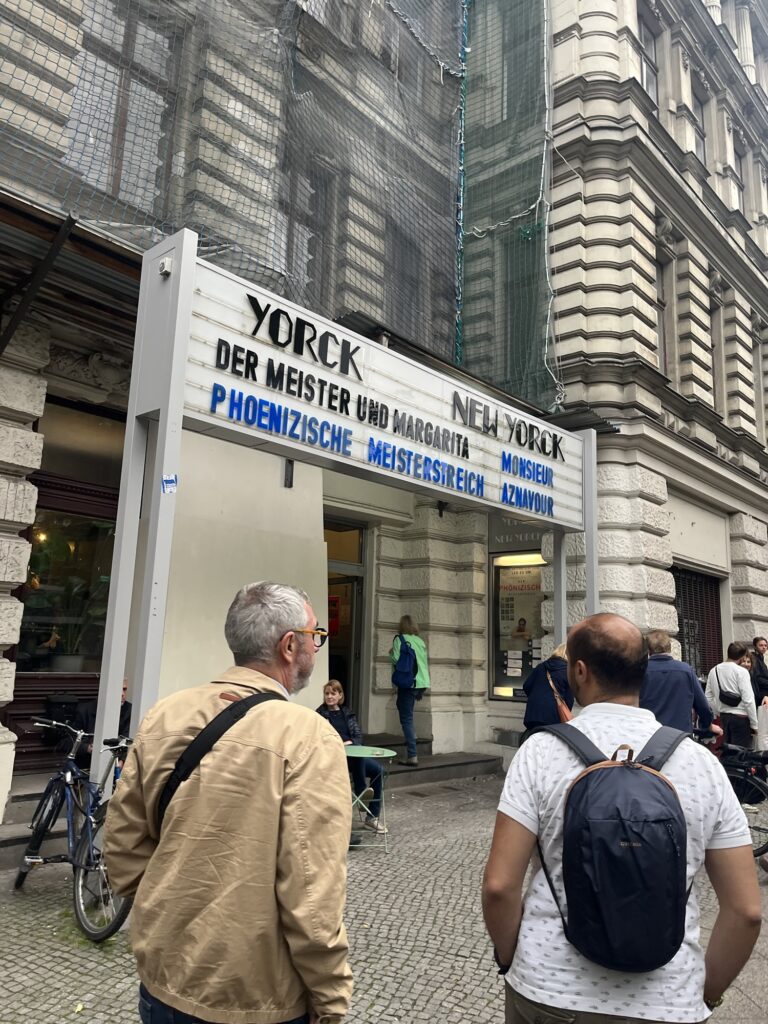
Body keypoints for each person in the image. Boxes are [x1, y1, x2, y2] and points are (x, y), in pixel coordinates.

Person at [482, 612, 762, 1024]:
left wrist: (511, 960)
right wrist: (705, 995)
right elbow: (746, 912)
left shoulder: (540, 752)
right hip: (669, 1000)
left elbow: (500, 886)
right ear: (642, 671)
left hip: (549, 989)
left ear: (579, 671)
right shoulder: (701, 764)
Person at [105, 581, 353, 1024]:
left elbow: (122, 847)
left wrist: (171, 909)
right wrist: (331, 998)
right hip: (258, 998)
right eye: (315, 636)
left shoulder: (164, 713)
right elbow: (312, 895)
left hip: (163, 982)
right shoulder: (310, 736)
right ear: (289, 646)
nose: (316, 647)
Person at [316, 680, 386, 834]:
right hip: (335, 758)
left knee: (379, 770)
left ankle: (371, 818)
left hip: (353, 756)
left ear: (340, 695)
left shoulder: (347, 713)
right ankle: (361, 791)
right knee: (358, 752)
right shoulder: (320, 715)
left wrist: (349, 743)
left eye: (333, 693)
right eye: (327, 693)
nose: (329, 696)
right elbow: (321, 740)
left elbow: (358, 736)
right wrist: (341, 745)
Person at [640, 630, 721, 735]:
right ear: (669, 647)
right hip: (680, 736)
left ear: (648, 650)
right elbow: (703, 706)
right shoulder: (686, 670)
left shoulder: (640, 671)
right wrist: (707, 725)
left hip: (649, 734)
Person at [390, 615, 430, 766]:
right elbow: (423, 662)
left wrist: (390, 653)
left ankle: (412, 755)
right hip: (421, 682)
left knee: (406, 719)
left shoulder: (399, 639)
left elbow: (396, 659)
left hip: (407, 682)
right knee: (407, 713)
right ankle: (412, 738)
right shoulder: (420, 641)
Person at [705, 641, 758, 748]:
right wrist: (754, 724)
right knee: (741, 753)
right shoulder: (742, 672)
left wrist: (718, 711)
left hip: (724, 717)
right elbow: (748, 700)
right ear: (742, 657)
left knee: (728, 751)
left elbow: (708, 697)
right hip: (741, 718)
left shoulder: (714, 670)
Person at [72, 679, 133, 770]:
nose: (122, 694)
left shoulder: (130, 710)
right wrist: (88, 748)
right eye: (117, 689)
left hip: (116, 761)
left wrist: (122, 760)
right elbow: (69, 740)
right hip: (87, 763)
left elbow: (129, 739)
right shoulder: (85, 710)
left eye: (124, 689)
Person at [521, 643, 572, 736]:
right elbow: (569, 699)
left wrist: (536, 697)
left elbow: (526, 686)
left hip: (533, 715)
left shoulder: (541, 666)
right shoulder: (567, 671)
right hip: (553, 717)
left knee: (534, 740)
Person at [750, 635, 768, 707]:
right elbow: (757, 677)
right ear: (755, 647)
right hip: (759, 693)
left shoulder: (760, 658)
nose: (764, 647)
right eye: (761, 645)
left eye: (765, 645)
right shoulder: (754, 658)